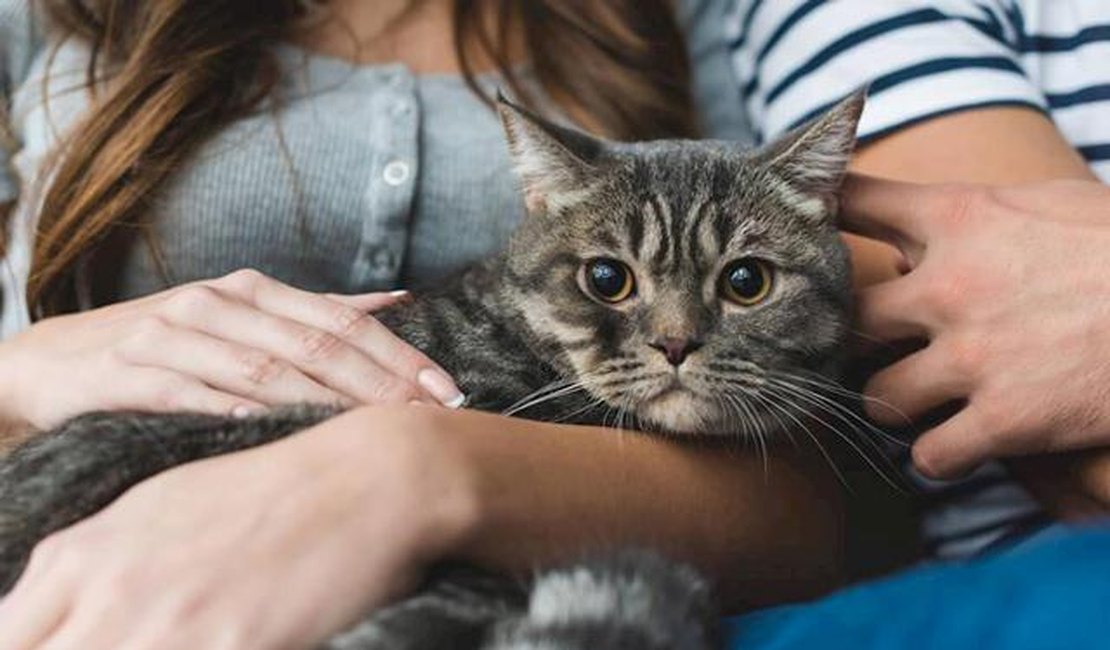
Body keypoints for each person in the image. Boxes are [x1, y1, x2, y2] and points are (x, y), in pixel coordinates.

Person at [0, 1, 850, 648]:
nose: (674, 332)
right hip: (84, 515)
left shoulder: (684, 16)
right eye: (610, 278)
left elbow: (834, 494)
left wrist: (415, 468)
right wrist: (20, 367)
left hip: (538, 522)